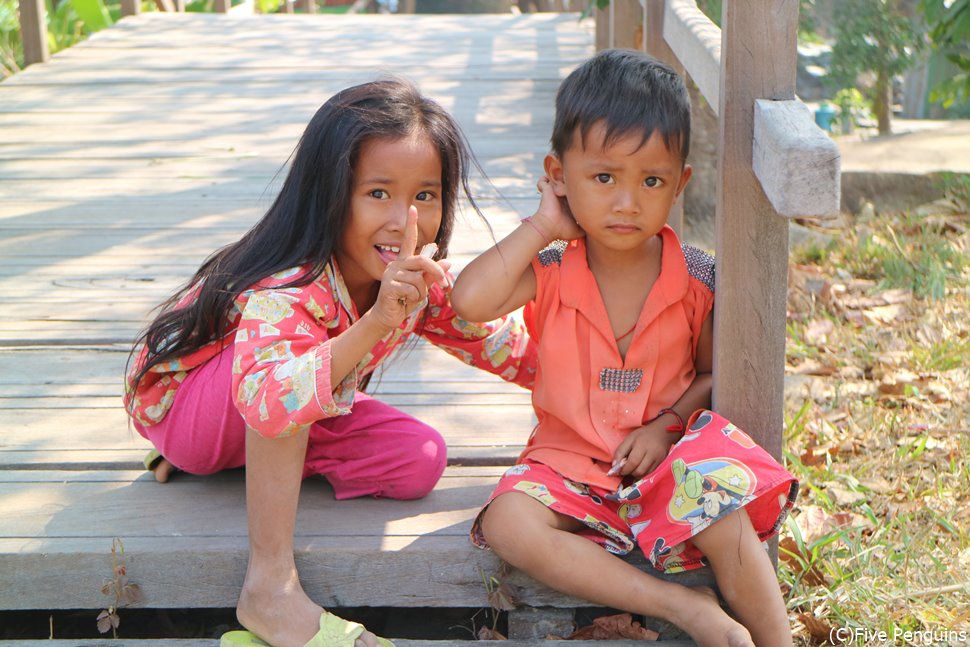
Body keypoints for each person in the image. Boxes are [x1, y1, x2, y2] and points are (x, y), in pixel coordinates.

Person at [123, 78, 536, 647]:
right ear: (329, 192)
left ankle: (258, 462)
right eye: (378, 193)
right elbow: (273, 396)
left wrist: (632, 392)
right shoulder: (291, 280)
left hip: (274, 401)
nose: (403, 220)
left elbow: (507, 348)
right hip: (192, 407)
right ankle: (268, 589)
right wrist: (377, 321)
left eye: (425, 195)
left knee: (419, 458)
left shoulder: (418, 279)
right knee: (288, 391)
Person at [450, 49, 798, 647]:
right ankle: (685, 607)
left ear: (680, 183)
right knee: (509, 522)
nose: (626, 202)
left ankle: (775, 640)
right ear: (559, 175)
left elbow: (715, 375)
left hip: (665, 461)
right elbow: (469, 301)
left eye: (652, 181)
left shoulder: (696, 277)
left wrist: (667, 424)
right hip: (568, 468)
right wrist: (541, 226)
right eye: (603, 177)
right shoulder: (553, 266)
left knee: (721, 508)